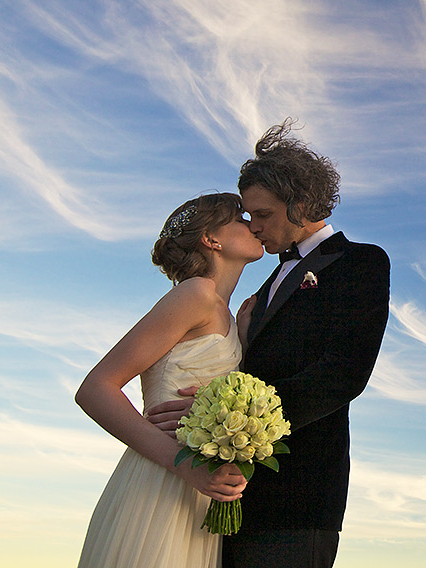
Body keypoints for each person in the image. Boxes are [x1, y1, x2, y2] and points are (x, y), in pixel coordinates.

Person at [148, 119, 390, 567]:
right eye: (248, 216)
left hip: (298, 498)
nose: (255, 226)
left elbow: (344, 373)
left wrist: (228, 414)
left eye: (263, 214)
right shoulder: (263, 286)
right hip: (224, 495)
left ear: (300, 202)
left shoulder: (361, 262)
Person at [76, 192, 265, 567]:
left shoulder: (229, 313)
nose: (253, 224)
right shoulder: (195, 294)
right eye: (240, 219)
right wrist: (184, 466)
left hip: (199, 494)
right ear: (212, 239)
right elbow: (95, 389)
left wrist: (244, 340)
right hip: (162, 482)